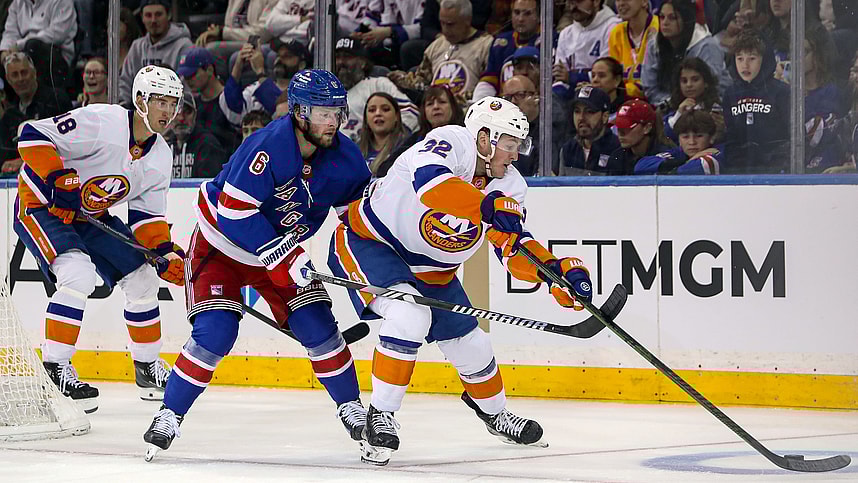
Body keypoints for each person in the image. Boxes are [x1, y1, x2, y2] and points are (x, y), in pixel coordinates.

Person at [328, 96, 594, 465]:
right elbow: (430, 184)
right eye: (510, 144)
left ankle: (495, 414)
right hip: (373, 243)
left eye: (518, 146)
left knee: (473, 344)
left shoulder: (510, 185)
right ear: (484, 138)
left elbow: (512, 246)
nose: (515, 155)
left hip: (434, 270)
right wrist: (486, 206)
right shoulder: (453, 141)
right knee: (409, 316)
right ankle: (380, 417)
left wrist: (555, 272)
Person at [142, 69, 371, 461]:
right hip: (221, 249)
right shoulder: (267, 147)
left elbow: (360, 216)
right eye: (322, 113)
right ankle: (169, 413)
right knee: (216, 334)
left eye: (337, 113)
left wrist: (372, 272)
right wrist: (288, 255)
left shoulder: (346, 159)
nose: (332, 122)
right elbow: (235, 213)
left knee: (318, 326)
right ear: (299, 112)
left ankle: (351, 406)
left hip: (278, 253)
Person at [13, 65, 187, 413]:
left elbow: (147, 218)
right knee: (77, 272)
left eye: (173, 103)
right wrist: (57, 178)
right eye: (160, 102)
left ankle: (147, 368)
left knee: (142, 278)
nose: (167, 111)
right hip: (42, 203)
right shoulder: (102, 121)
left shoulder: (161, 156)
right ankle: (56, 368)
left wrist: (161, 250)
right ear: (140, 100)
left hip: (89, 214)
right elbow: (31, 134)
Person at [387, 0, 493, 105]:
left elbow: (487, 87)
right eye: (442, 23)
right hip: (434, 108)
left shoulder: (487, 45)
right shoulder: (436, 45)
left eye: (450, 24)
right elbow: (422, 82)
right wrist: (403, 80)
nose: (445, 30)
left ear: (467, 20)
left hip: (466, 110)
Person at [641, 0, 730, 107]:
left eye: (672, 17)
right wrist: (672, 104)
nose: (665, 22)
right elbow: (650, 89)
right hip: (669, 106)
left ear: (686, 19)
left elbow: (713, 88)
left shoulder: (707, 46)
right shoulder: (654, 45)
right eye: (662, 17)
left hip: (711, 107)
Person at [722, 30, 789, 173]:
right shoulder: (730, 94)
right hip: (740, 172)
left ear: (764, 59)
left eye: (752, 59)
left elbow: (788, 137)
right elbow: (731, 138)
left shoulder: (781, 92)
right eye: (740, 59)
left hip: (775, 171)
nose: (745, 65)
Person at [334, 37, 419, 142]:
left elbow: (410, 113)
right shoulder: (325, 95)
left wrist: (390, 146)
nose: (341, 62)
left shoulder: (378, 85)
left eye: (347, 57)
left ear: (362, 62)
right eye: (337, 57)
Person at [0, 53, 73, 171]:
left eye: (24, 72)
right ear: (8, 79)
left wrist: (24, 161)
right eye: (15, 75)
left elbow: (66, 144)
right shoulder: (9, 114)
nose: (20, 79)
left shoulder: (56, 100)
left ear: (34, 73)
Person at [378, 84, 465, 177]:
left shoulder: (465, 134)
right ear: (424, 111)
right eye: (430, 104)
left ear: (453, 107)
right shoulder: (416, 138)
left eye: (442, 102)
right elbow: (385, 168)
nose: (436, 107)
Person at [119, 0, 193, 107]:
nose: (153, 20)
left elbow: (186, 90)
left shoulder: (184, 46)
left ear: (169, 15)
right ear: (142, 18)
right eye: (148, 15)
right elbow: (125, 84)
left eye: (158, 14)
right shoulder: (137, 47)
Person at [223, 39, 310, 124]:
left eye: (287, 56)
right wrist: (238, 65)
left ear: (301, 65)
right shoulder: (257, 86)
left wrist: (260, 72)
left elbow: (281, 110)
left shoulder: (305, 91)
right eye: (278, 56)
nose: (279, 60)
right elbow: (235, 111)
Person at [473, 0, 542, 101]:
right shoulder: (500, 43)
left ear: (539, 16)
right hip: (504, 105)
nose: (521, 19)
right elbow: (490, 80)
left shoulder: (549, 40)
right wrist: (478, 103)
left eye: (527, 13)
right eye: (516, 13)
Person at [0, 0, 77, 89]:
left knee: (33, 46)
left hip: (56, 55)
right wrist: (4, 51)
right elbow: (10, 32)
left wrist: (18, 46)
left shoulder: (62, 2)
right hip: (21, 51)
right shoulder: (17, 3)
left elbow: (56, 34)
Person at [552, 0, 621, 99]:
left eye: (579, 1)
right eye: (571, 3)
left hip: (602, 94)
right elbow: (560, 76)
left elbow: (607, 73)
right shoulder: (566, 33)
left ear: (596, 2)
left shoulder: (613, 27)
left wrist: (571, 77)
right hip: (572, 94)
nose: (573, 7)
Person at [176, 47, 240, 152]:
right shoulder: (193, 105)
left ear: (209, 70)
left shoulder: (230, 100)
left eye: (192, 74)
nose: (187, 80)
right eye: (185, 76)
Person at [556, 86, 620, 175]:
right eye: (577, 111)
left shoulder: (617, 150)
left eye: (589, 112)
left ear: (605, 117)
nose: (581, 118)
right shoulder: (568, 149)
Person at [635, 110, 723, 174]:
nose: (692, 142)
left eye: (699, 136)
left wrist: (674, 166)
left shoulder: (717, 152)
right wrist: (684, 161)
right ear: (679, 140)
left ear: (712, 137)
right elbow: (640, 166)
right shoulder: (680, 152)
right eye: (685, 137)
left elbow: (689, 170)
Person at [165, 91, 230, 178]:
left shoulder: (207, 145)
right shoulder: (165, 146)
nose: (181, 118)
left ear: (195, 115)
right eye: (177, 112)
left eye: (187, 112)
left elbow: (208, 185)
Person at [661, 57, 724, 144]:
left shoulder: (717, 109)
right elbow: (666, 137)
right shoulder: (671, 108)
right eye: (684, 81)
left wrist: (722, 128)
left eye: (695, 80)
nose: (689, 85)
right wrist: (678, 114)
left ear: (706, 83)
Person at [605, 99, 674, 175]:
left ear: (647, 128)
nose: (621, 133)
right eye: (619, 126)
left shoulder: (665, 156)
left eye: (627, 127)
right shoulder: (617, 157)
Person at [608, 0, 658, 99]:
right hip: (624, 101)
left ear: (644, 2)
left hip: (655, 100)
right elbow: (613, 75)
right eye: (617, 0)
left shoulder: (660, 27)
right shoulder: (616, 33)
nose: (621, 4)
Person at [359, 92, 410, 176]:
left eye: (385, 109)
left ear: (397, 116)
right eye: (372, 110)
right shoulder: (355, 150)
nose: (378, 113)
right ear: (366, 119)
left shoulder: (407, 148)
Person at [501, 75, 540, 176]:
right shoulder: (499, 133)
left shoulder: (549, 129)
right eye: (507, 98)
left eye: (520, 95)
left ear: (536, 97)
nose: (513, 102)